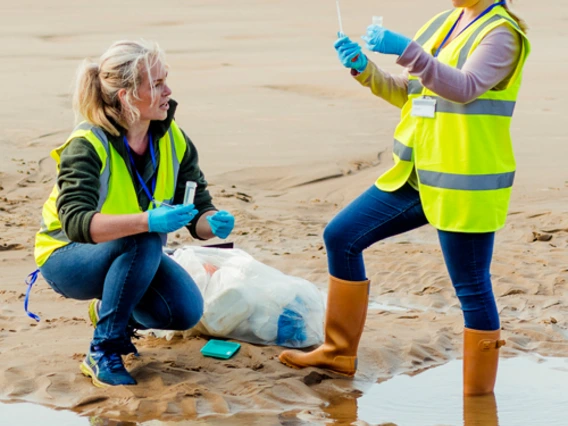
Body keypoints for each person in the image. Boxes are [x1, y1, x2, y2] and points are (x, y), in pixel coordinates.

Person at [279, 0, 530, 396]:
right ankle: (338, 352)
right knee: (341, 237)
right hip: (414, 174)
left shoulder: (501, 34)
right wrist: (365, 70)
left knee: (472, 288)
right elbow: (411, 94)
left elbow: (463, 89)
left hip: (463, 184)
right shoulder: (444, 22)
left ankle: (479, 403)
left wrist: (405, 49)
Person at [33, 40, 235, 387]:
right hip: (65, 257)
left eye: (165, 80)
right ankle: (103, 349)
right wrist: (148, 222)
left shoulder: (174, 138)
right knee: (144, 238)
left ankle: (111, 313)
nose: (168, 91)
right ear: (126, 96)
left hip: (132, 251)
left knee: (185, 311)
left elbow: (199, 209)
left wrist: (211, 222)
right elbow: (77, 224)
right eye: (156, 84)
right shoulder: (87, 144)